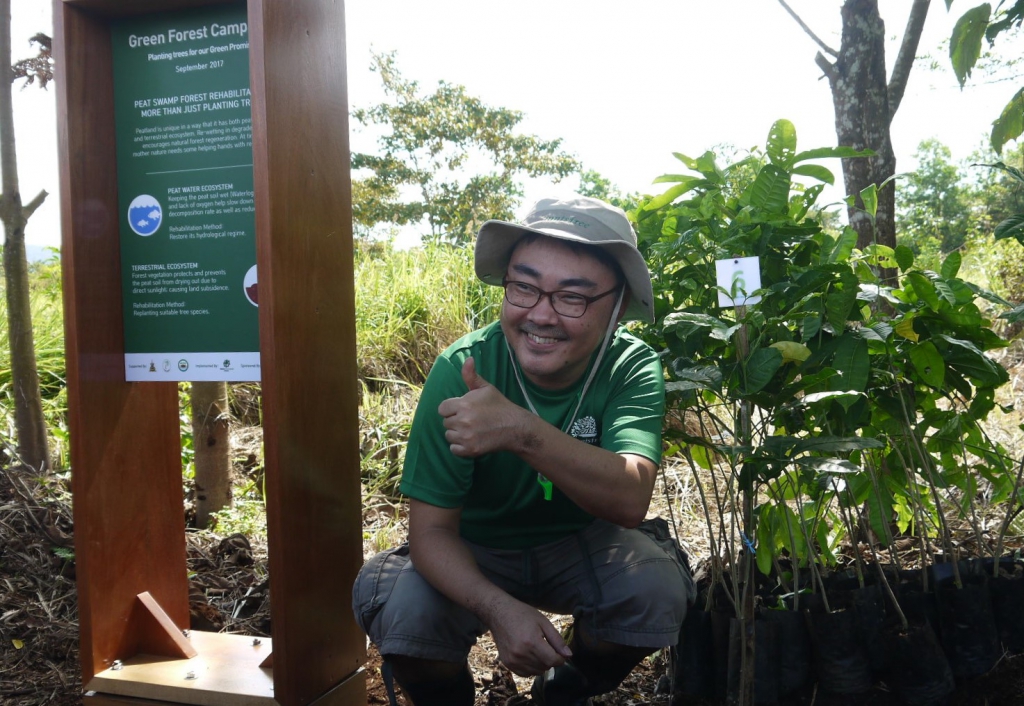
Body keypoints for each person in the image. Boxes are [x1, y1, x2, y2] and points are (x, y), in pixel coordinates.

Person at [352, 196, 693, 706]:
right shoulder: (462, 368)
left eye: (572, 297)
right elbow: (431, 533)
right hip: (474, 546)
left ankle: (567, 686)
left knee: (652, 590)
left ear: (618, 305)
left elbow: (629, 499)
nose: (541, 315)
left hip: (583, 540)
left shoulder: (630, 366)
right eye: (524, 287)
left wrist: (519, 430)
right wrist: (498, 608)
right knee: (407, 617)